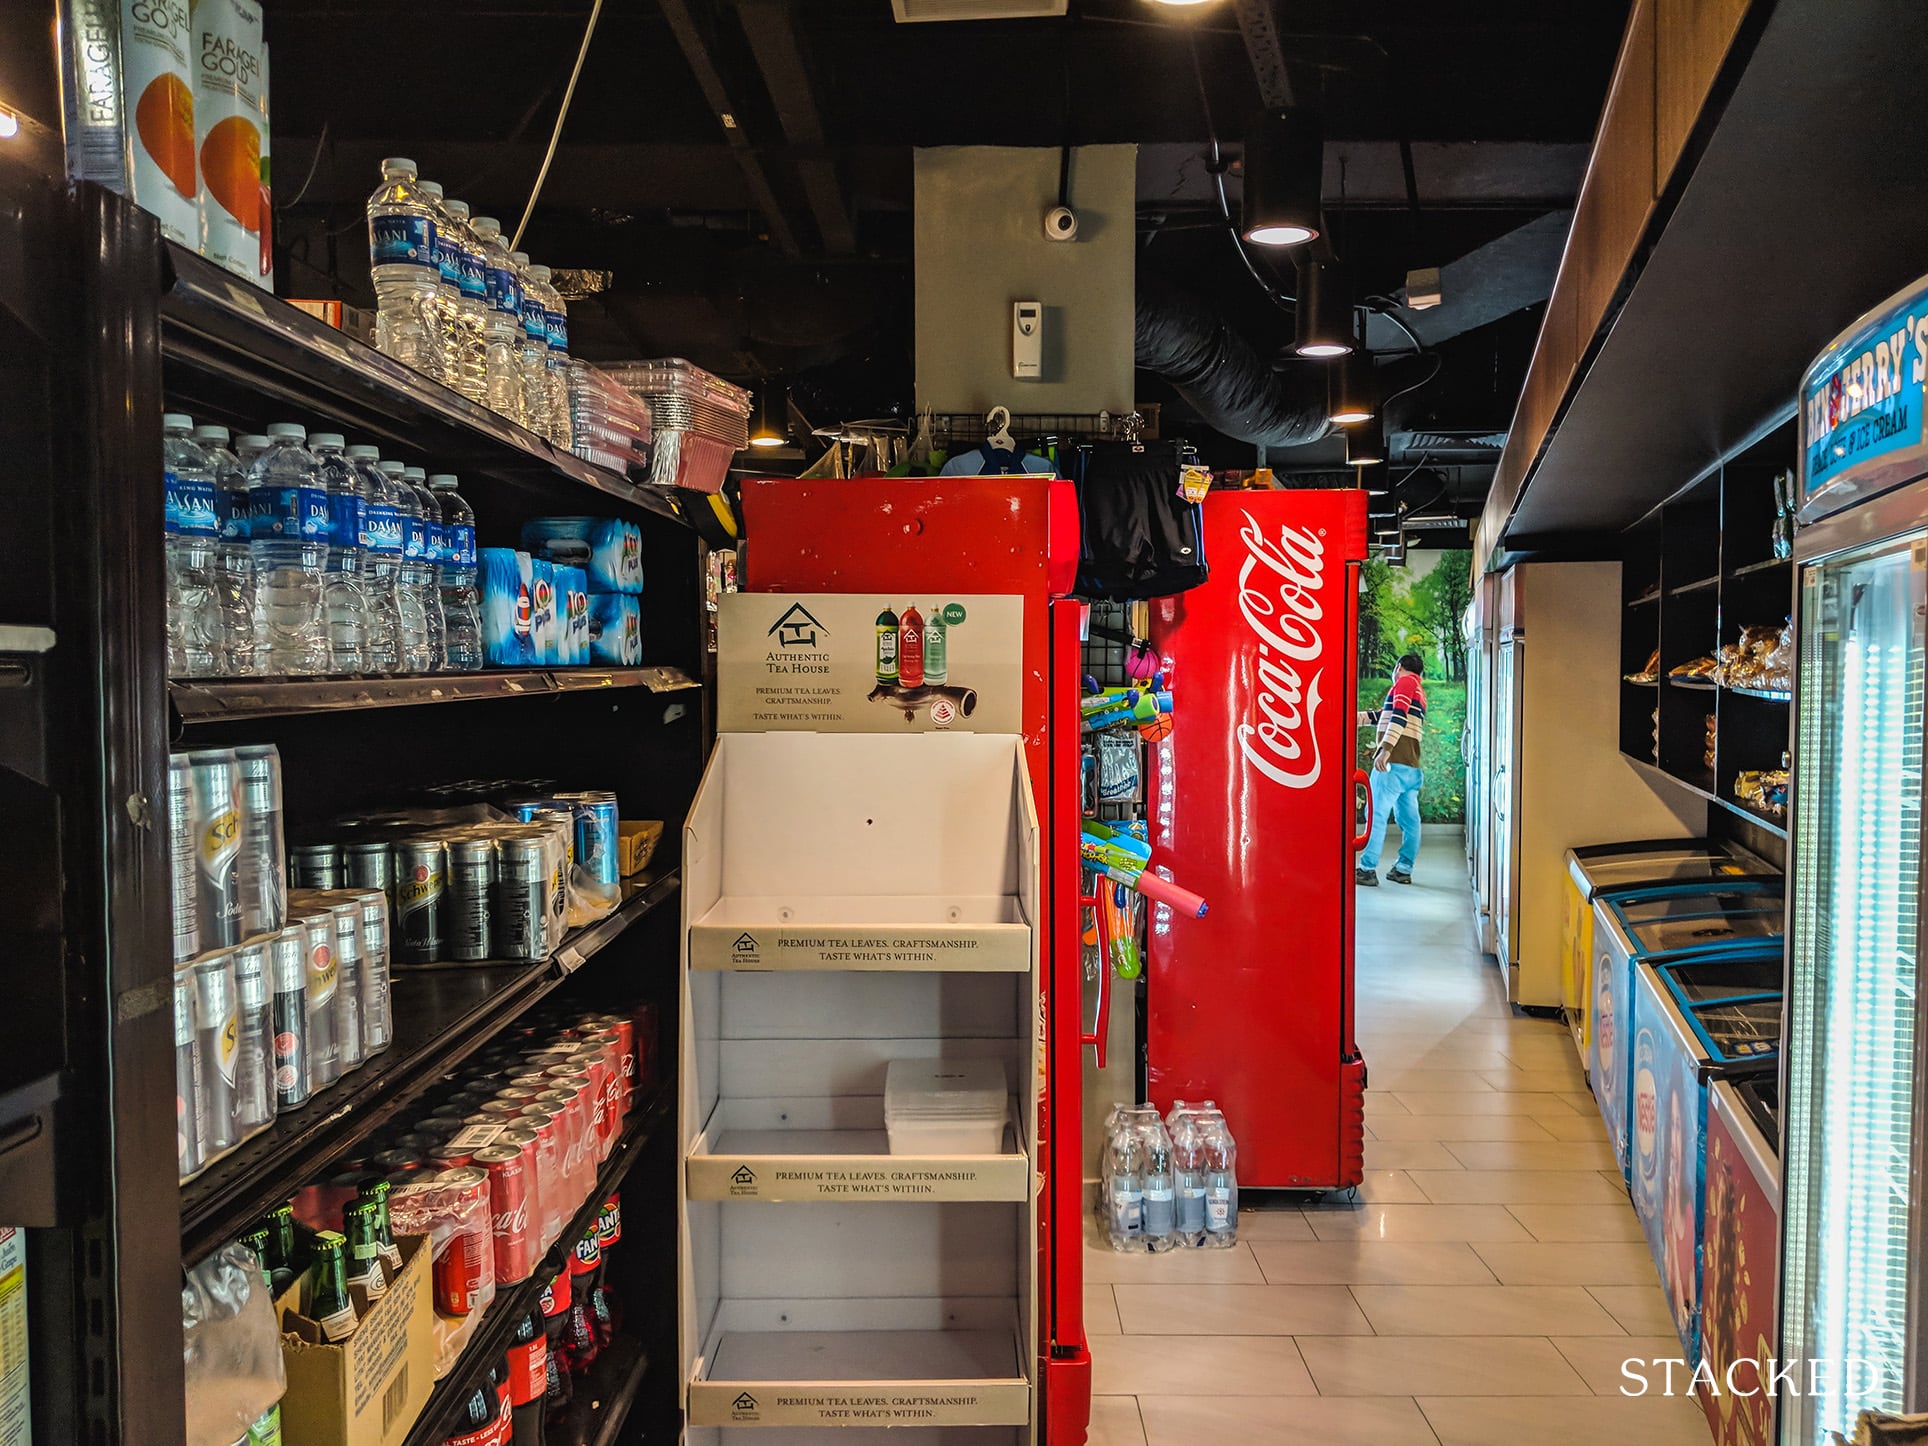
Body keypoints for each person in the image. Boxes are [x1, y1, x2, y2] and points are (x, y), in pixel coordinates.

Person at [1356, 652, 1427, 886]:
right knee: (1409, 819)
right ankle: (1403, 869)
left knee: (1375, 814)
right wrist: (1357, 717)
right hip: (1411, 765)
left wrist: (1385, 749)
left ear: (1399, 666)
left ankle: (1367, 868)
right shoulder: (1417, 689)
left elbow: (1399, 716)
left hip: (1393, 762)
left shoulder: (1405, 682)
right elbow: (1385, 716)